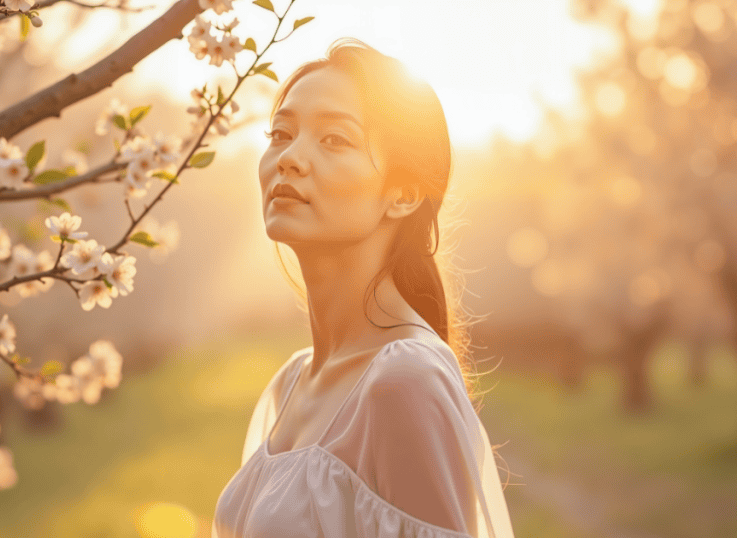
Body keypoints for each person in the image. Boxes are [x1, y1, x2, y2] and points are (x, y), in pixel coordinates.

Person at [212, 38, 515, 538]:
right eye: (280, 134)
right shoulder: (289, 385)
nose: (289, 158)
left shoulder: (405, 382)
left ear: (403, 193)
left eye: (334, 139)